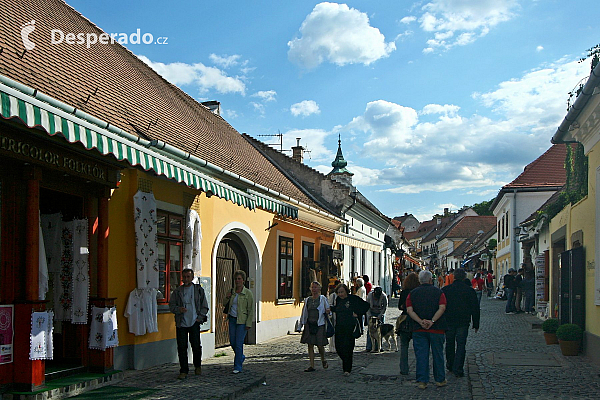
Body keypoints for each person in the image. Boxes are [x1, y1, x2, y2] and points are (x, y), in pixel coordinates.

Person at [406, 270, 447, 389]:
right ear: (430, 280)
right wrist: (432, 321)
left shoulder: (412, 293)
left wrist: (420, 321)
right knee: (438, 354)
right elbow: (442, 307)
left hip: (419, 329)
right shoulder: (439, 292)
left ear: (420, 281)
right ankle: (440, 379)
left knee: (421, 355)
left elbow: (409, 310)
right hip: (437, 328)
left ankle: (422, 381)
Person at [169, 268, 209, 380]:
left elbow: (204, 305)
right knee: (182, 347)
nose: (186, 279)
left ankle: (197, 366)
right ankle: (183, 370)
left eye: (188, 277)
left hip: (194, 322)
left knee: (196, 346)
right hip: (181, 322)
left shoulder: (198, 290)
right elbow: (171, 306)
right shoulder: (177, 291)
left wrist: (199, 318)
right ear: (182, 278)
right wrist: (178, 309)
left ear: (192, 278)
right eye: (184, 276)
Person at [442, 268, 479, 378]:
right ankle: (458, 368)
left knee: (449, 343)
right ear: (464, 277)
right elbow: (475, 308)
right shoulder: (469, 290)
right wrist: (476, 323)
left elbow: (441, 307)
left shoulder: (446, 290)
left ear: (453, 277)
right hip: (463, 321)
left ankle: (450, 364)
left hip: (449, 321)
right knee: (461, 344)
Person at [330, 283, 370, 376]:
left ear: (346, 291)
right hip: (339, 326)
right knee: (339, 347)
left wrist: (358, 313)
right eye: (339, 292)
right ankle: (346, 361)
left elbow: (366, 306)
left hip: (350, 327)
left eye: (342, 292)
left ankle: (347, 369)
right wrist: (331, 309)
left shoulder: (353, 299)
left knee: (348, 348)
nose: (340, 294)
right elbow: (338, 309)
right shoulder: (338, 299)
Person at [224, 270, 254, 374]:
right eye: (236, 279)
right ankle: (241, 356)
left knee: (238, 343)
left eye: (239, 279)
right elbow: (224, 303)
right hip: (232, 319)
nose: (237, 281)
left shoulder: (248, 293)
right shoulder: (232, 291)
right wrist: (227, 297)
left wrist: (248, 323)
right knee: (232, 342)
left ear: (243, 280)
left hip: (242, 321)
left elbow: (251, 310)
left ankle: (237, 366)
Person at [299, 281, 331, 372]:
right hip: (310, 324)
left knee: (320, 345)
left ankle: (323, 359)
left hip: (319, 324)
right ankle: (312, 365)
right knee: (310, 344)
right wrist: (301, 324)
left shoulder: (322, 299)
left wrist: (328, 311)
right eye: (312, 287)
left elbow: (327, 309)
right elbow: (304, 312)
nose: (314, 289)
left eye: (316, 287)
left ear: (319, 289)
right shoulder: (308, 299)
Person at [397, 272, 420, 376]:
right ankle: (420, 368)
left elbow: (399, 306)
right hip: (417, 321)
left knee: (404, 346)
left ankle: (404, 369)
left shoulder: (404, 292)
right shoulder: (419, 292)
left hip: (405, 320)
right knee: (418, 347)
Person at [365, 286, 388, 352]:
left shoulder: (384, 296)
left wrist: (380, 315)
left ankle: (379, 347)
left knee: (380, 330)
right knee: (370, 329)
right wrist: (369, 316)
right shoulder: (370, 295)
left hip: (379, 312)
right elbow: (367, 306)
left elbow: (385, 307)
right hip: (371, 312)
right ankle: (369, 347)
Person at [327, 280, 341, 352]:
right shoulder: (333, 295)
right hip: (334, 316)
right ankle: (333, 347)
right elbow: (330, 305)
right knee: (334, 332)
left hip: (341, 316)